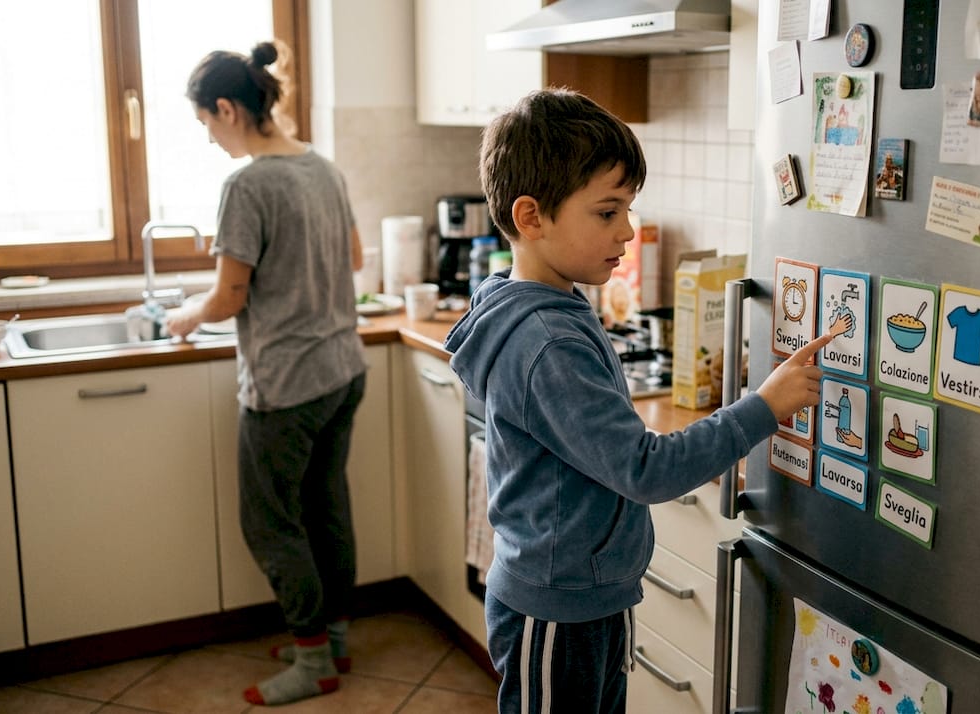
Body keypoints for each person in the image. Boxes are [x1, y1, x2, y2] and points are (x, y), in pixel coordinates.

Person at [443, 87, 832, 713]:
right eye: (607, 212)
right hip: (558, 610)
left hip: (588, 595)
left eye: (627, 209)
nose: (627, 230)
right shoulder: (546, 342)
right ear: (531, 217)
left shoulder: (551, 304)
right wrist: (762, 407)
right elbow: (645, 471)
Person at [165, 39, 367, 706]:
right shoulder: (322, 167)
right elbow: (355, 258)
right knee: (325, 508)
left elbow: (229, 297)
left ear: (228, 109)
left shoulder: (246, 185)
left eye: (205, 122)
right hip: (343, 370)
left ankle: (313, 662)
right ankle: (333, 638)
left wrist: (185, 317)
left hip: (286, 385)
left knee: (271, 523)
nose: (209, 137)